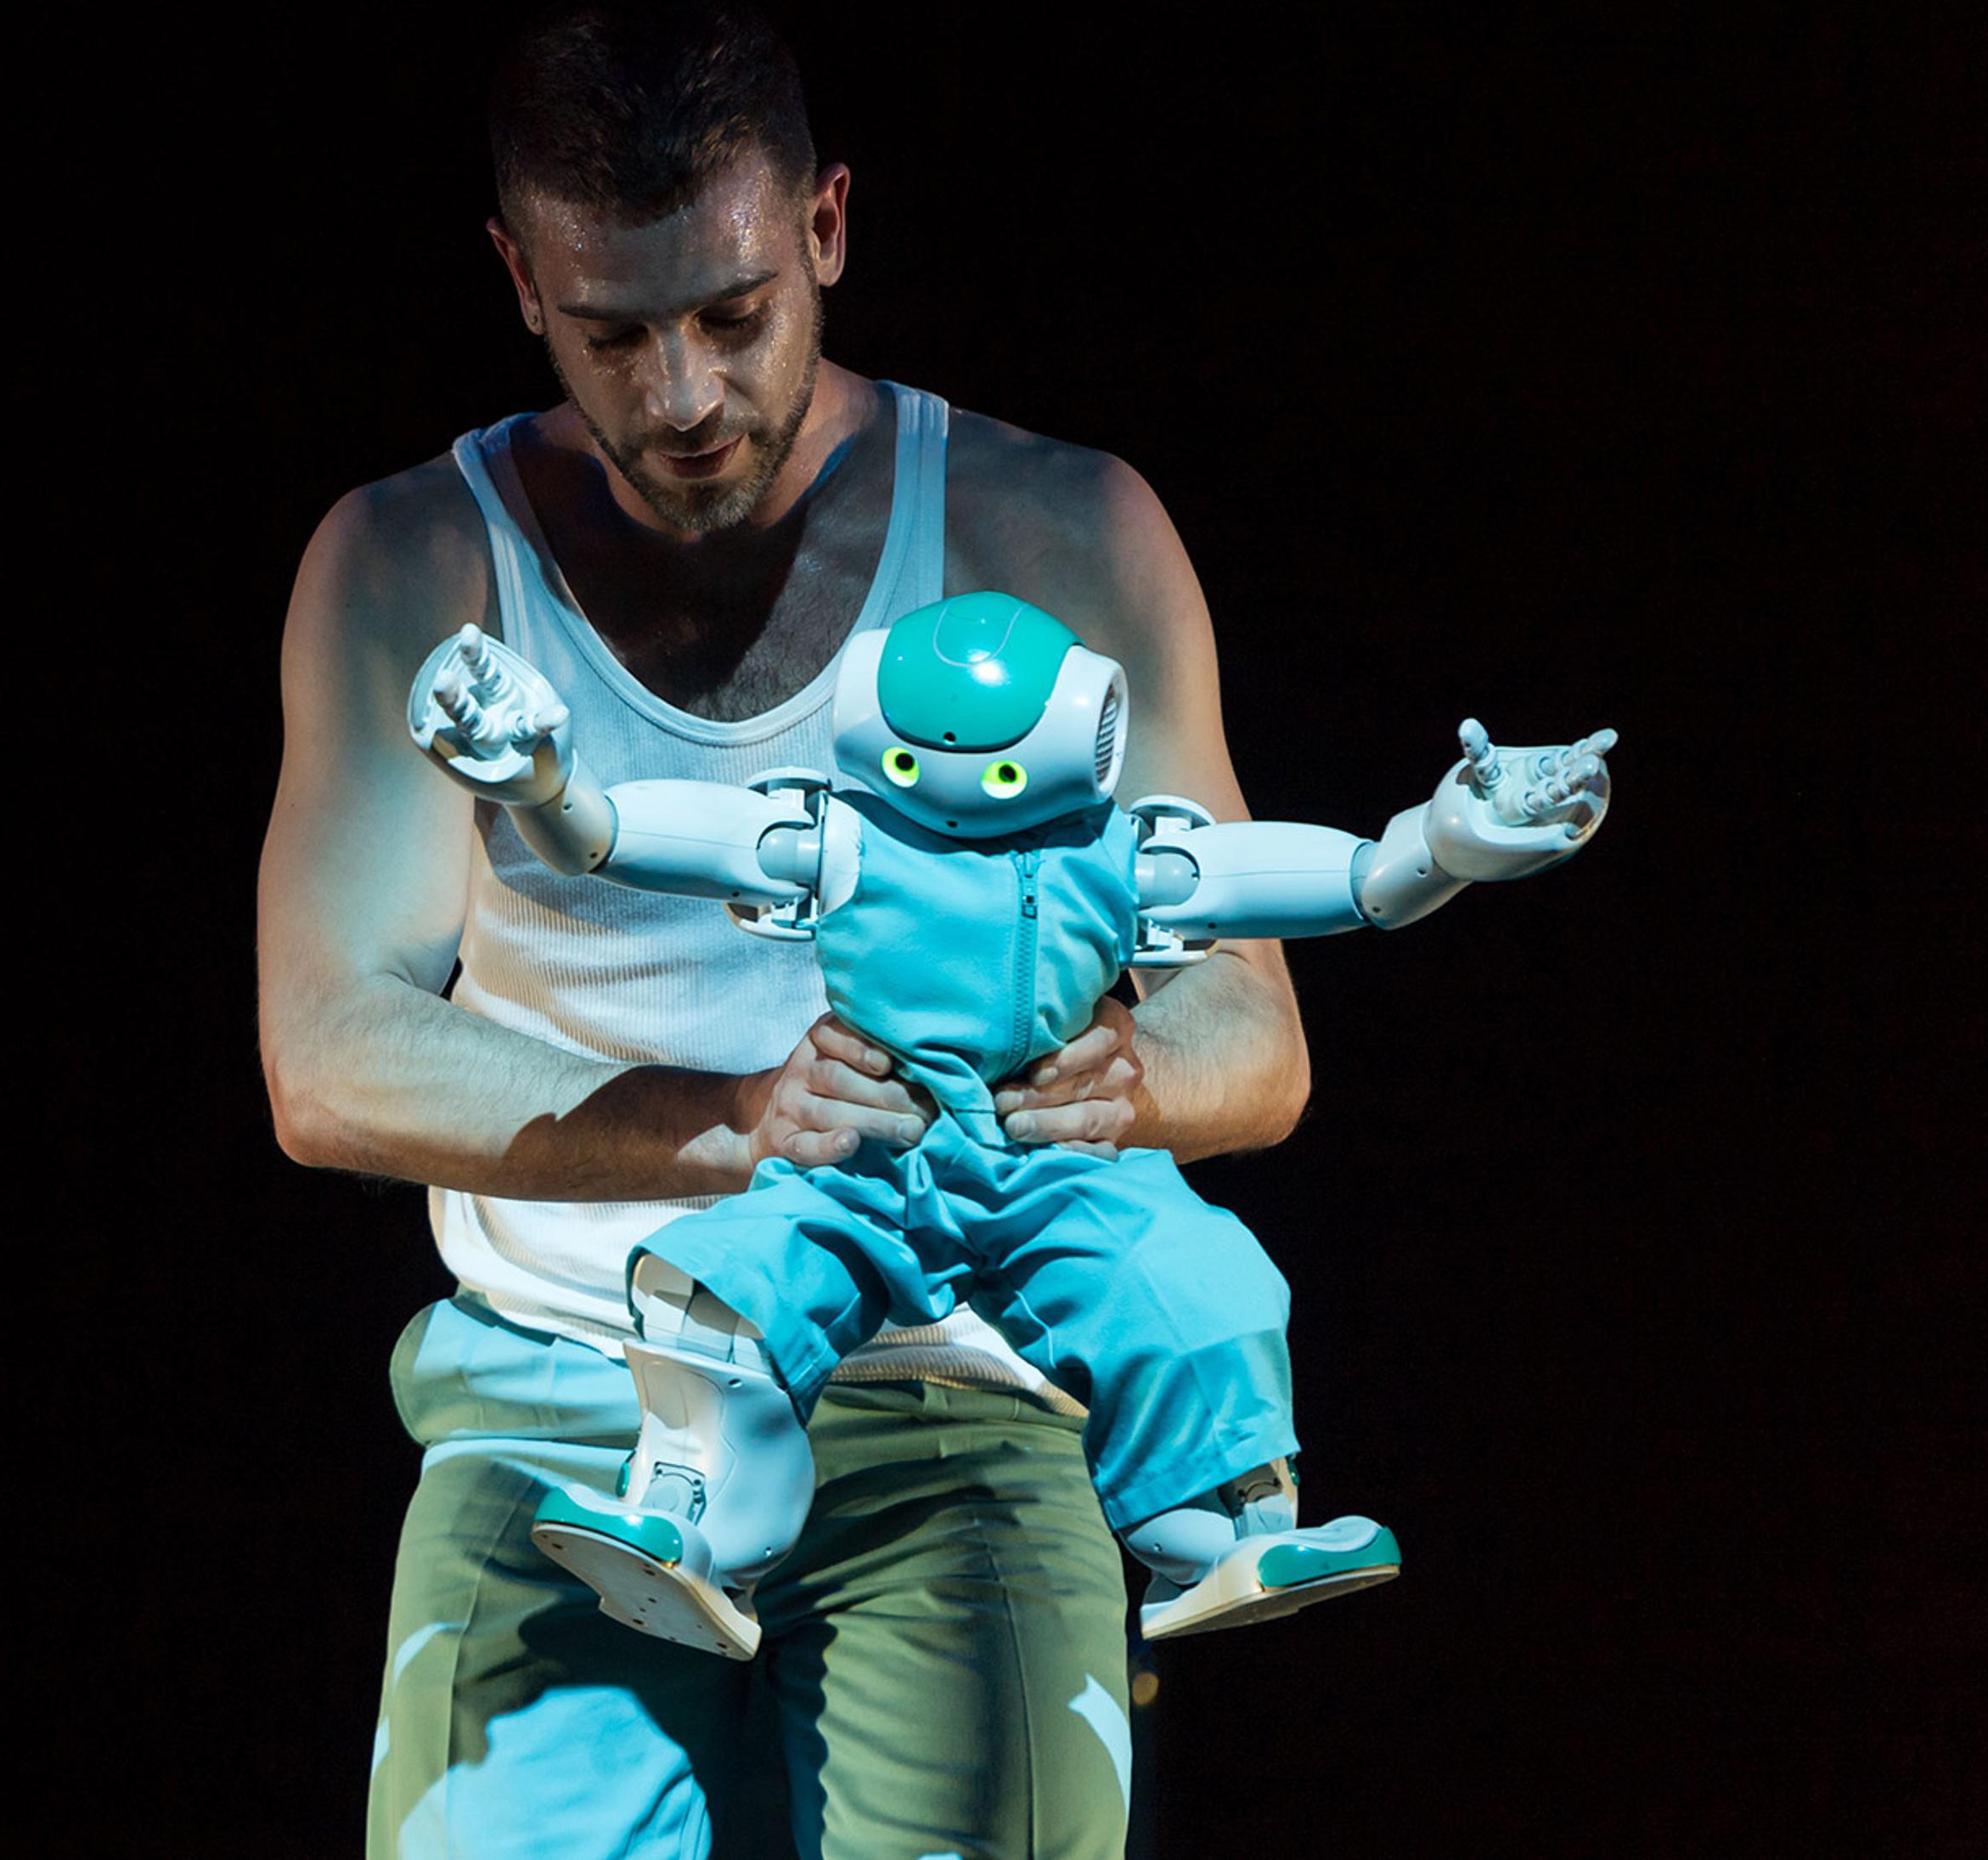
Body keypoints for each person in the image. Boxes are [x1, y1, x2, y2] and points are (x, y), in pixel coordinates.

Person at [260, 0, 1313, 1860]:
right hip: (566, 1392)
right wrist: (738, 1120)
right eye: (611, 333)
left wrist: (1099, 1075)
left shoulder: (1054, 532)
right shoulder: (416, 558)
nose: (682, 397)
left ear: (827, 226)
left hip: (952, 1390)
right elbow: (329, 1048)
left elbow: (1253, 1037)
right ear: (518, 280)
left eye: (733, 316)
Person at [401, 596, 1610, 1663]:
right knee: (715, 1294)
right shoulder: (844, 839)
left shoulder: (1117, 859)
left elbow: (1335, 881)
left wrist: (1441, 848)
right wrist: (542, 784)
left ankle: (1231, 1536)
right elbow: (624, 839)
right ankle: (693, 1524)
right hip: (872, 1153)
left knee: (1198, 1288)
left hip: (1049, 1161)